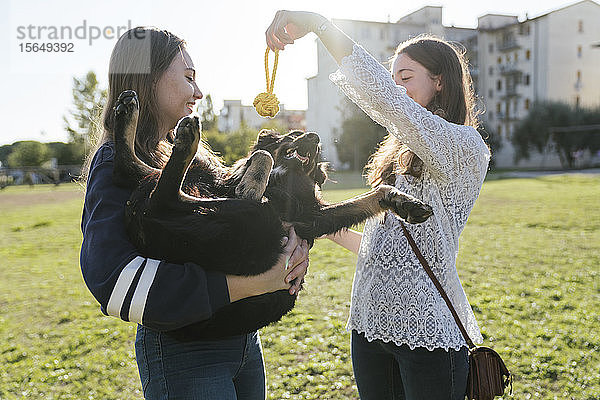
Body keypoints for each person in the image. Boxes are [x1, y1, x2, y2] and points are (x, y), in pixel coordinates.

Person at [266, 11, 490, 400]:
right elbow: (378, 249)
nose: (396, 87)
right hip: (368, 324)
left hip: (427, 332)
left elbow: (388, 103)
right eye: (393, 79)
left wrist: (320, 24)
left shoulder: (465, 147)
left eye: (406, 78)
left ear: (439, 82)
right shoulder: (398, 150)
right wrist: (310, 221)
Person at [80, 27, 309, 400]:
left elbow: (239, 221)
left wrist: (293, 249)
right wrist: (250, 285)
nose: (199, 93)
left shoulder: (189, 154)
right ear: (148, 77)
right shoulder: (116, 162)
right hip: (185, 354)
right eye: (188, 78)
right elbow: (115, 282)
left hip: (244, 344)